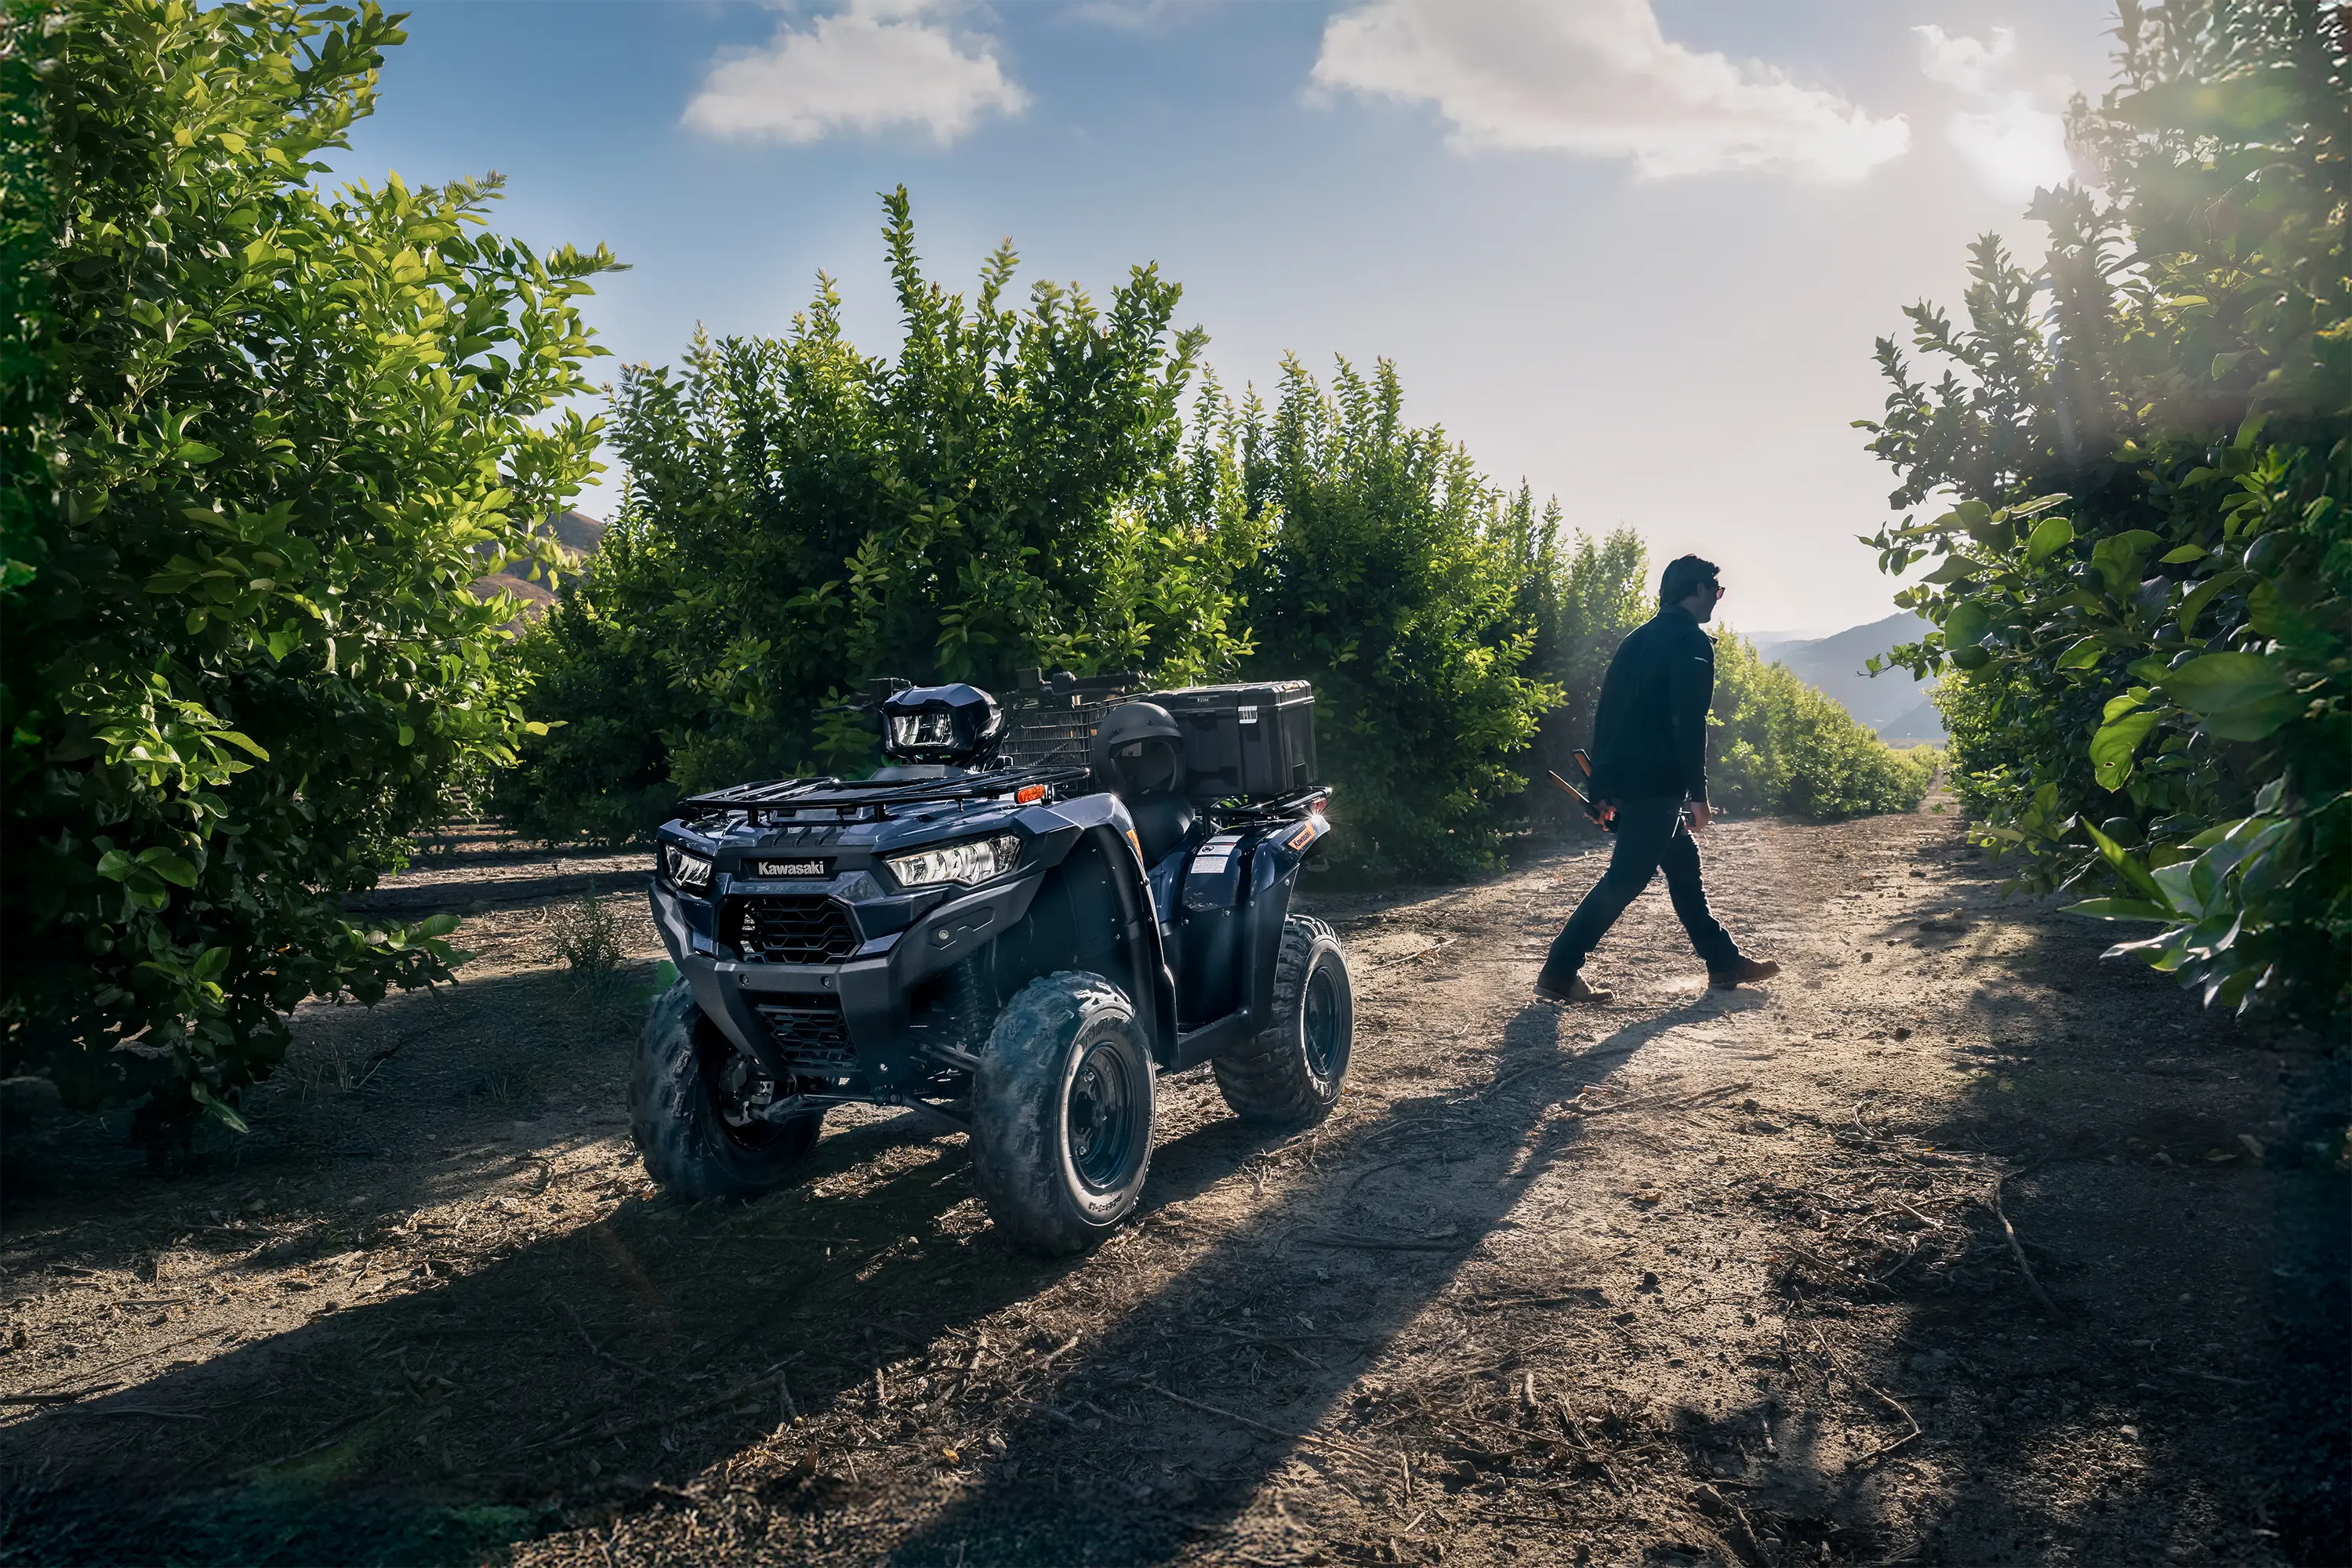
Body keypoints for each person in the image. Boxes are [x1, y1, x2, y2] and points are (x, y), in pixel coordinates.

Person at [1535, 554, 1780, 1004]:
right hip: (1656, 786)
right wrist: (1698, 794)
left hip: (1630, 780)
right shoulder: (1692, 641)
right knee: (1627, 878)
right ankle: (1559, 971)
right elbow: (1688, 724)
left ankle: (1723, 961)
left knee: (1684, 869)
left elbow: (1606, 718)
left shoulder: (1636, 640)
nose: (1718, 601)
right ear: (1699, 589)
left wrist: (1600, 789)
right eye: (1717, 591)